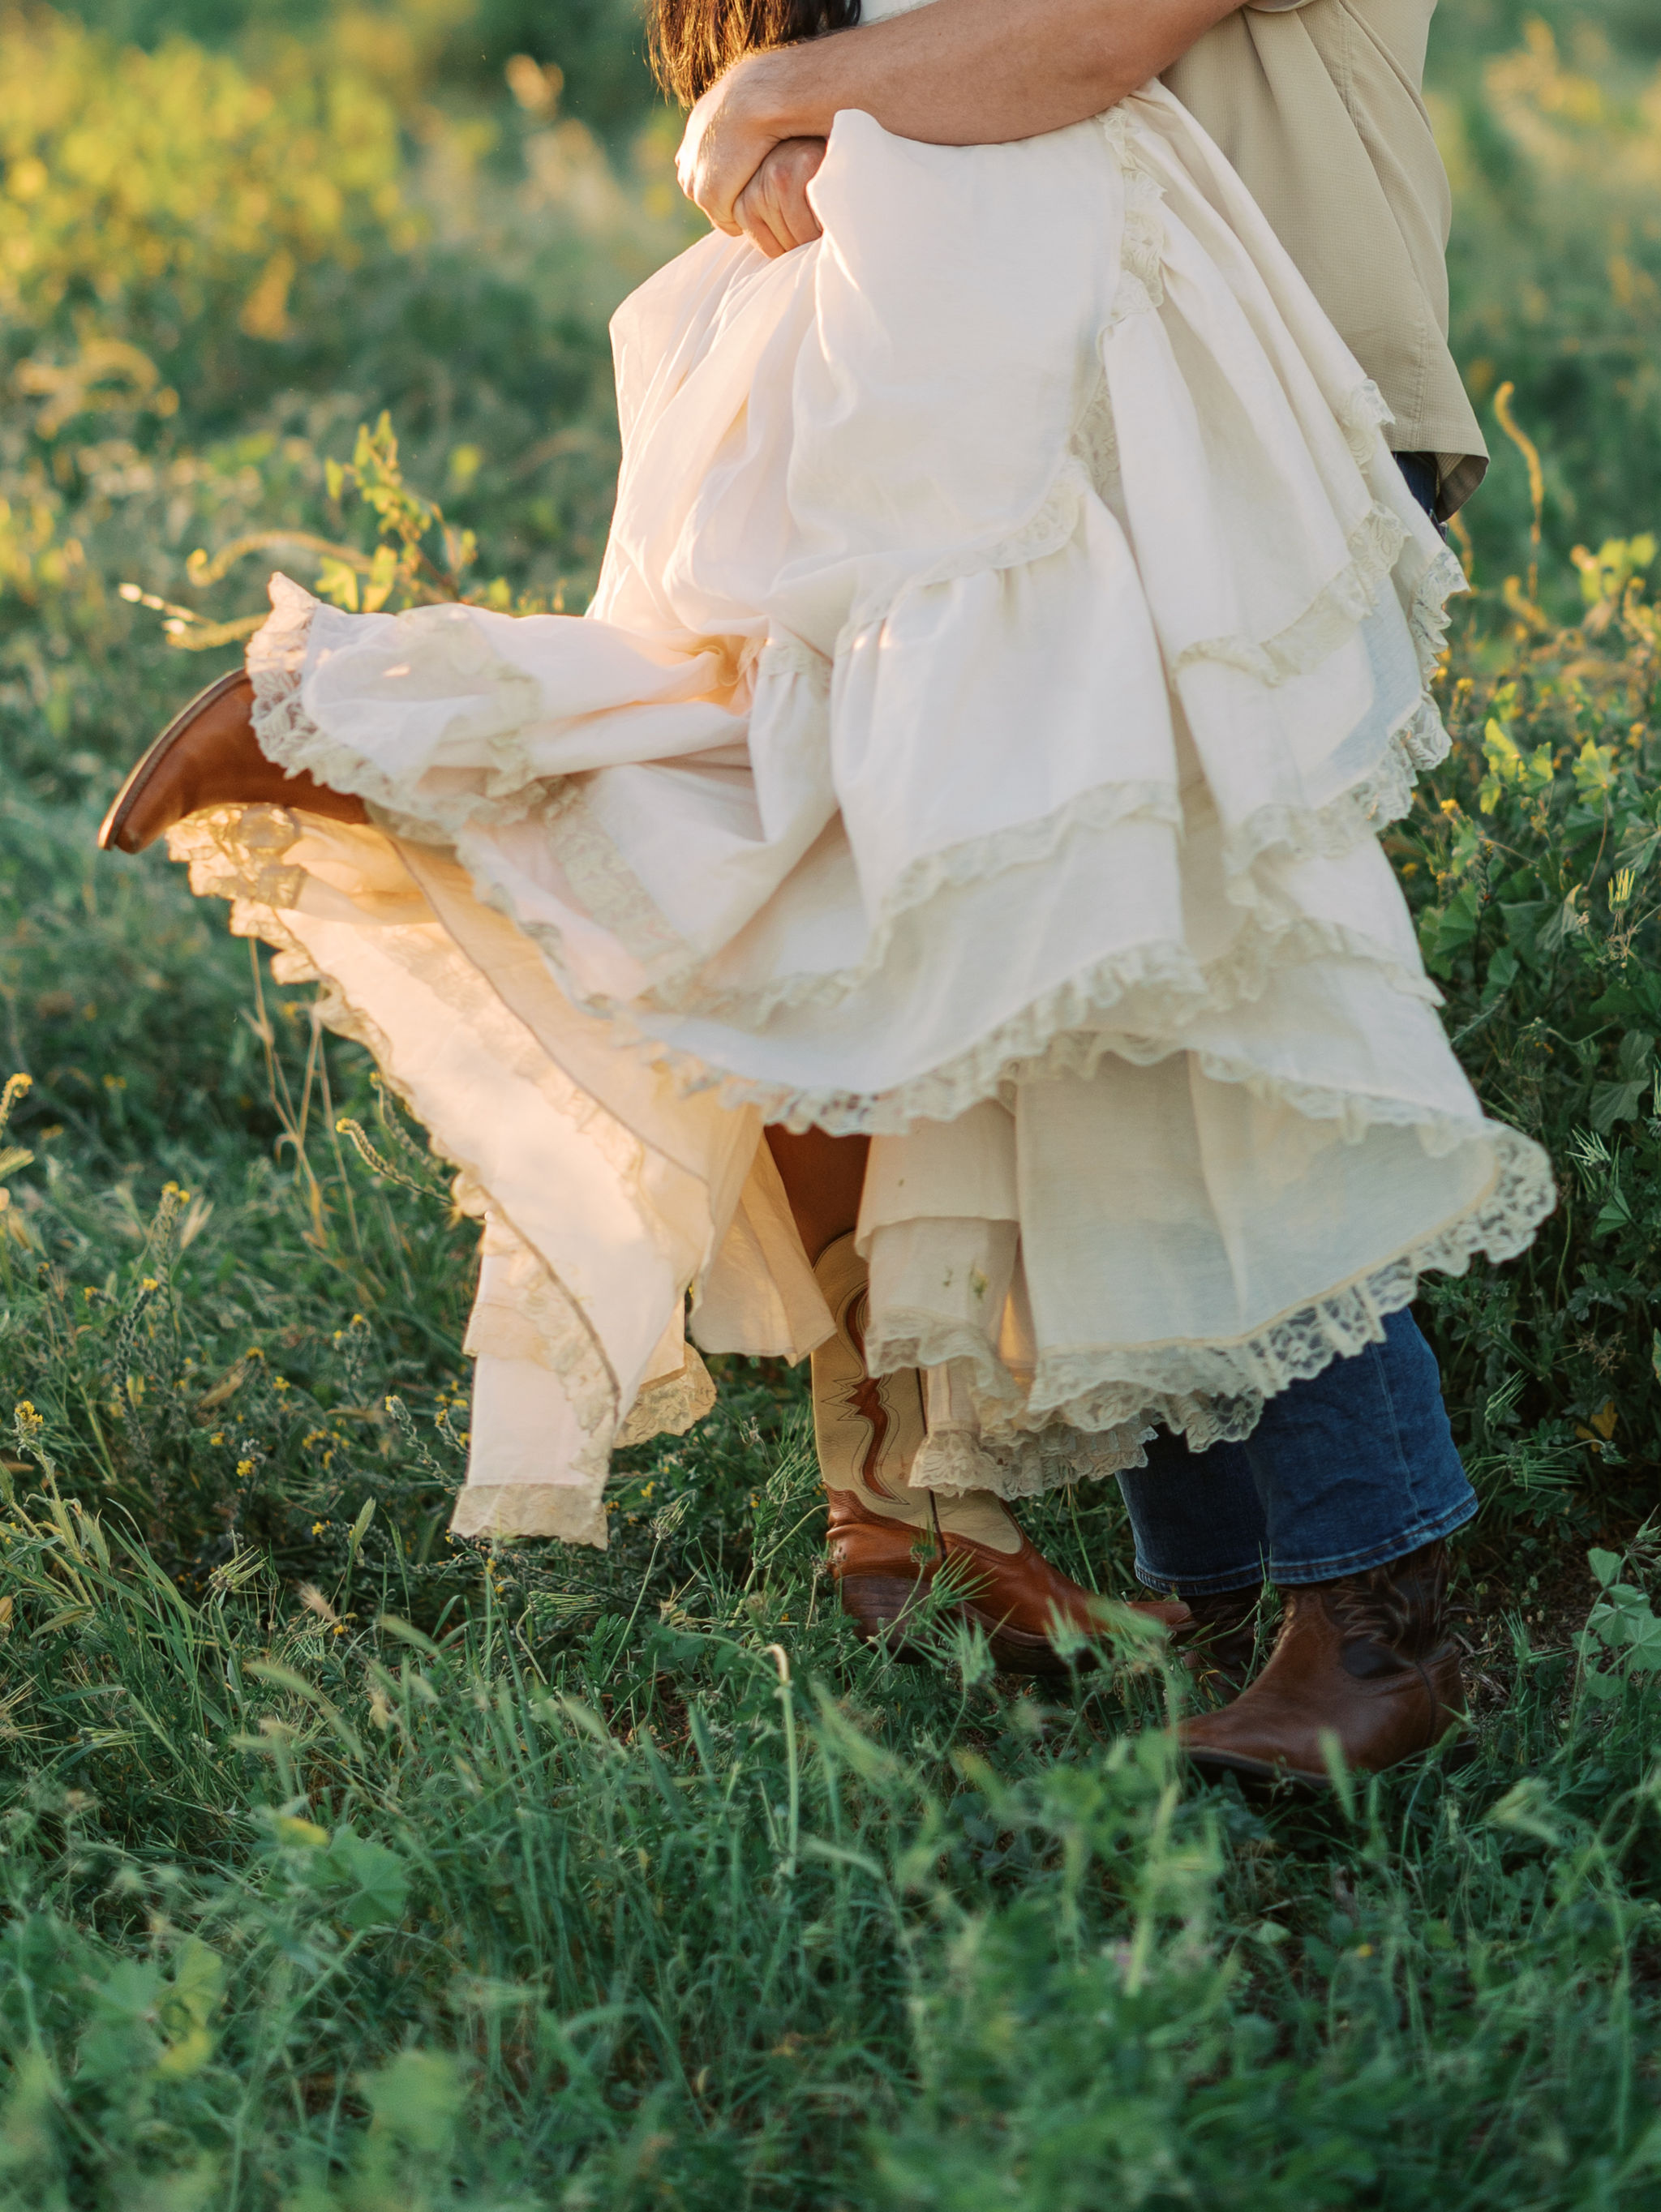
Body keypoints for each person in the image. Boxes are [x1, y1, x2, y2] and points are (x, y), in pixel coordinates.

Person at [98, 0, 1553, 1787]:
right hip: (1043, 395)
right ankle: (1254, 1593)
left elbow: (1096, 34)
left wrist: (789, 91)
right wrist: (795, 107)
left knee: (1179, 974)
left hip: (1234, 397)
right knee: (1093, 979)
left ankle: (1352, 1606)